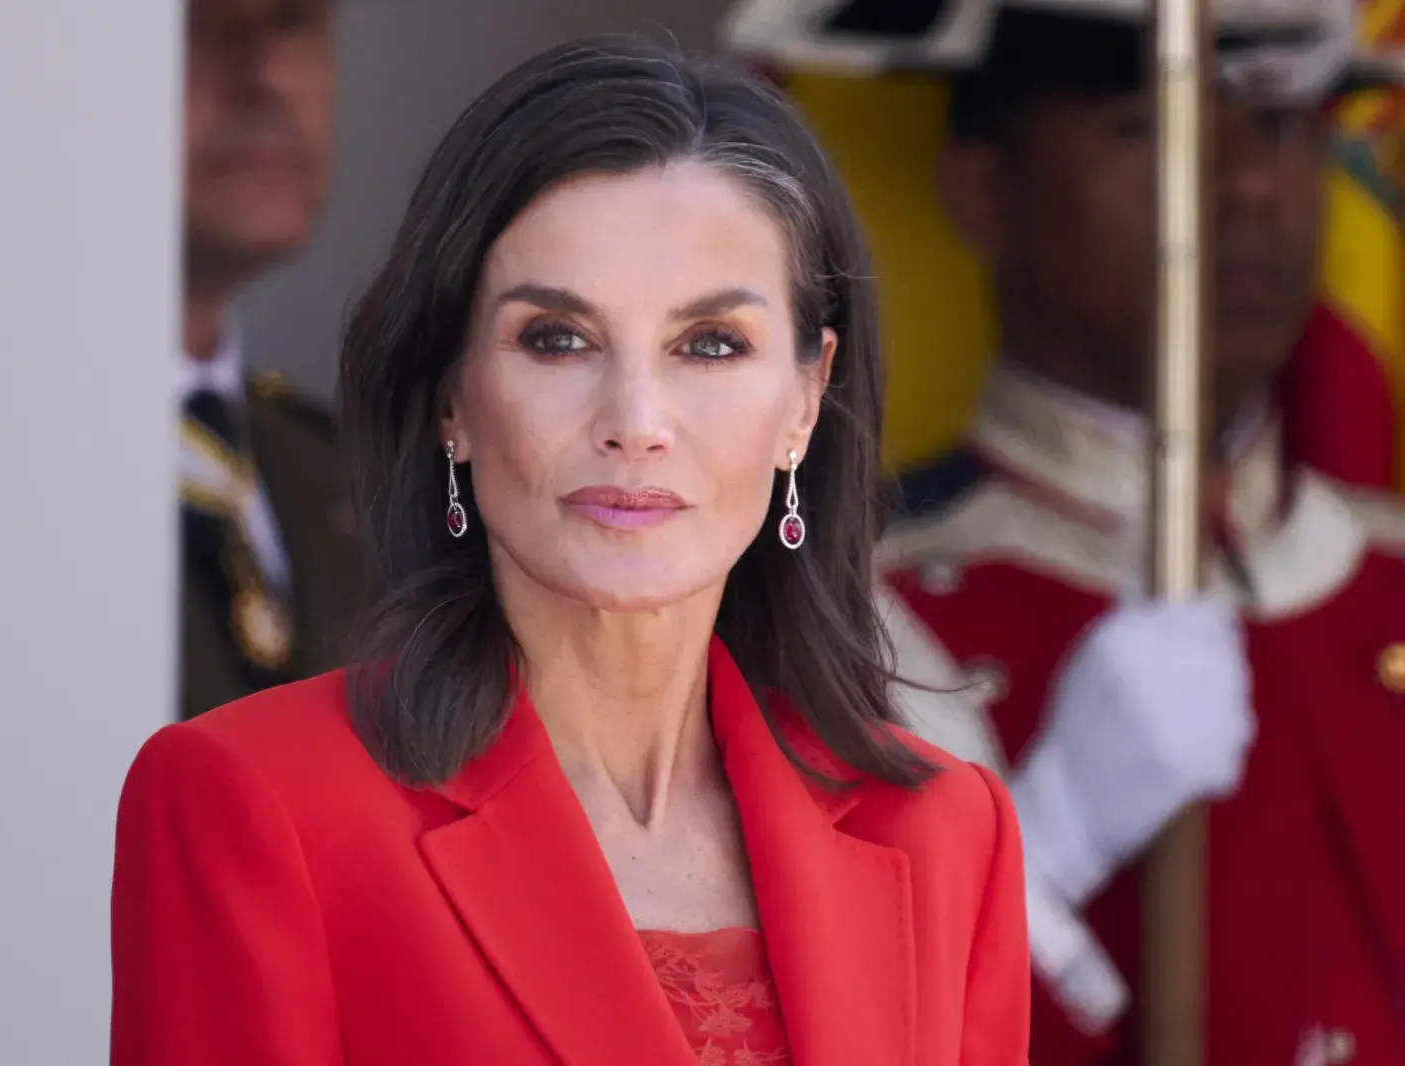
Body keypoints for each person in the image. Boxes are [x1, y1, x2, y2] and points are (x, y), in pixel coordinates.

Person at [111, 37, 1031, 1066]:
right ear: (451, 393)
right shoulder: (253, 802)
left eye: (709, 343)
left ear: (805, 402)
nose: (634, 419)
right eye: (555, 337)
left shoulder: (946, 830)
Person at [732, 0, 1405, 1063]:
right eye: (1151, 124)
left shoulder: (1384, 567)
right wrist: (1042, 846)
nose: (1242, 185)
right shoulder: (850, 617)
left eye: (1277, 128)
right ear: (985, 189)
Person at [178, 0, 366, 720]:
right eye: (200, 22)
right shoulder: (3, 463)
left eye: (294, 22)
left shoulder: (337, 469)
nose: (269, 74)